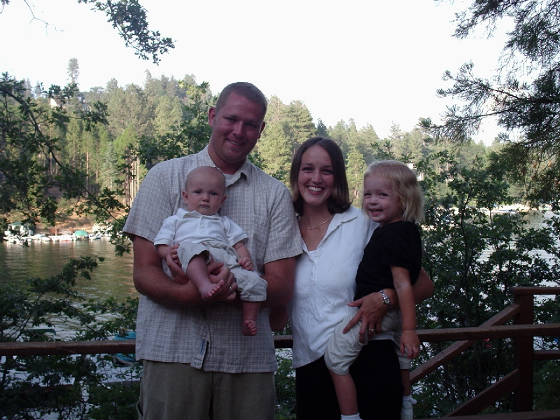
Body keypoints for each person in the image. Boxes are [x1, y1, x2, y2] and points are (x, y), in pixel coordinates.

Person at [123, 82, 302, 420]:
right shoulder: (164, 178)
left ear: (261, 130)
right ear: (212, 116)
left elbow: (282, 287)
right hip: (172, 352)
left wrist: (232, 286)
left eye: (250, 124)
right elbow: (144, 272)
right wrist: (191, 294)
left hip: (246, 360)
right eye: (231, 119)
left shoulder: (274, 195)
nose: (239, 131)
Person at [289, 137, 434, 420]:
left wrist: (384, 298)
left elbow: (424, 285)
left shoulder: (363, 223)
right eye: (307, 169)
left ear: (338, 178)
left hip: (370, 358)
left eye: (327, 170)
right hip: (310, 366)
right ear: (296, 173)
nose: (316, 178)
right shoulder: (284, 228)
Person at [324, 160, 424, 420]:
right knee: (402, 357)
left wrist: (410, 330)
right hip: (394, 314)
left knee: (335, 360)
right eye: (368, 194)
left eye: (382, 195)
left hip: (378, 312)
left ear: (404, 199)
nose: (372, 201)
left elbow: (403, 283)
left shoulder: (391, 235)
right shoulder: (406, 231)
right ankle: (406, 403)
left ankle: (350, 416)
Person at [153, 165, 267, 336]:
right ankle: (204, 285)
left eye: (213, 194)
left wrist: (245, 259)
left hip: (225, 262)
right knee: (190, 248)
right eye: (198, 192)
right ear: (185, 196)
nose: (205, 198)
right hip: (192, 257)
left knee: (255, 280)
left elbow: (238, 246)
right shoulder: (176, 220)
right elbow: (161, 244)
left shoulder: (224, 222)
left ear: (222, 200)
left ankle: (249, 319)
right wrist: (169, 253)